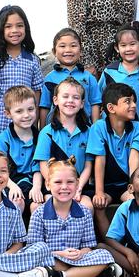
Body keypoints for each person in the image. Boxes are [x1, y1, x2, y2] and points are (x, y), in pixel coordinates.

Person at [26, 157, 116, 277]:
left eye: (70, 182)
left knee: (105, 255)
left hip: (76, 260)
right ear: (48, 184)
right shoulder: (39, 213)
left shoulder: (84, 212)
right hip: (53, 259)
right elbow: (33, 249)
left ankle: (62, 275)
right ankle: (79, 274)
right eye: (58, 182)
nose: (64, 187)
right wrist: (60, 254)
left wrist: (80, 253)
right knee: (32, 258)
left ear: (77, 184)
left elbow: (88, 246)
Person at [86, 83, 139, 238]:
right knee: (99, 205)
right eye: (128, 101)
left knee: (134, 202)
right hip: (105, 185)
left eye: (134, 101)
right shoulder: (99, 127)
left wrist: (133, 187)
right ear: (111, 108)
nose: (134, 105)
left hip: (125, 185)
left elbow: (134, 158)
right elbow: (99, 160)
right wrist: (99, 192)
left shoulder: (137, 128)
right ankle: (111, 243)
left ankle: (135, 242)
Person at [34, 78, 94, 212]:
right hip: (54, 187)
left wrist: (77, 188)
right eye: (65, 96)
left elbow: (88, 166)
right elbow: (43, 164)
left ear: (82, 103)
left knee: (87, 207)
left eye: (76, 97)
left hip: (79, 186)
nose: (70, 101)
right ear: (55, 100)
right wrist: (54, 186)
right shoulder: (47, 132)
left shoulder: (89, 132)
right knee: (44, 207)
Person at [0, 5, 43, 135]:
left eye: (19, 25)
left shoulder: (32, 59)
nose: (14, 30)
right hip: (1, 118)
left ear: (26, 28)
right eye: (8, 26)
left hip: (25, 119)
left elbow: (37, 91)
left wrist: (34, 120)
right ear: (1, 30)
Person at [0, 86, 43, 214]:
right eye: (19, 111)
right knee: (17, 202)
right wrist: (12, 186)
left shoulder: (40, 138)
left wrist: (37, 187)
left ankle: (36, 234)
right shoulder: (3, 139)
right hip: (10, 182)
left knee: (38, 205)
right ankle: (16, 234)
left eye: (30, 109)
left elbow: (38, 166)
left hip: (35, 182)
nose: (26, 115)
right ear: (8, 114)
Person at [39, 28, 101, 128]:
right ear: (54, 51)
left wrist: (96, 130)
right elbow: (44, 106)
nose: (68, 50)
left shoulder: (89, 77)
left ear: (80, 51)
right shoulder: (49, 78)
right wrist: (41, 131)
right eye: (62, 46)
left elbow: (95, 104)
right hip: (56, 132)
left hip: (84, 131)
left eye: (73, 45)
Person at [98, 21, 139, 120]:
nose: (128, 49)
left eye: (132, 44)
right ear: (117, 48)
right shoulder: (109, 72)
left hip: (136, 128)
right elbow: (97, 99)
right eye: (123, 45)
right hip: (111, 128)